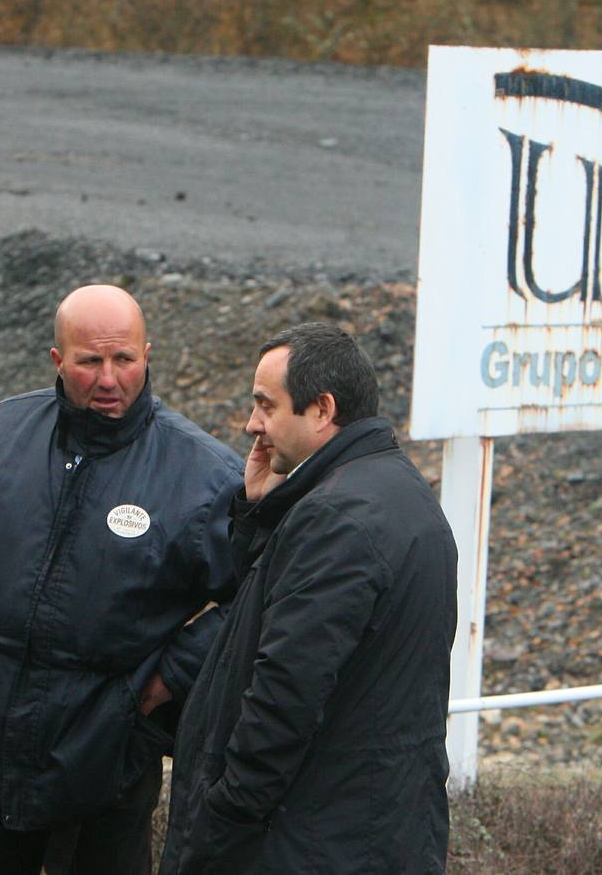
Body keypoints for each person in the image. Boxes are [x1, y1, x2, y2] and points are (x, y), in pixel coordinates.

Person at [0, 284, 243, 874]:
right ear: (58, 360)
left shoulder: (203, 477)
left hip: (108, 774)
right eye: (89, 362)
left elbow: (259, 593)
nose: (109, 379)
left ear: (147, 354)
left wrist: (163, 683)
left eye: (124, 359)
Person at [160, 322, 459, 874]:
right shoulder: (396, 492)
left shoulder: (336, 518)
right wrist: (260, 512)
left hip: (312, 842)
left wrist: (220, 821)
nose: (253, 424)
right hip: (368, 831)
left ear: (321, 410)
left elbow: (284, 696)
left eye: (266, 406)